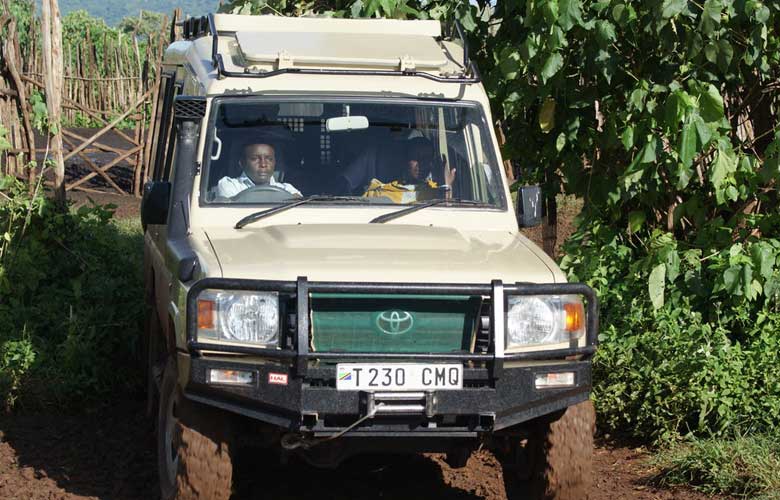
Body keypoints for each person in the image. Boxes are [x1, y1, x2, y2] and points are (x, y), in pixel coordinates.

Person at [363, 137, 456, 203]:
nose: (421, 164)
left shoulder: (435, 189)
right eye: (416, 157)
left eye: (426, 159)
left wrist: (447, 186)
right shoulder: (380, 191)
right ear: (406, 159)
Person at [215, 142, 301, 199]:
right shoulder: (230, 185)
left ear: (275, 163)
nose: (263, 164)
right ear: (242, 163)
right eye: (254, 159)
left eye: (269, 159)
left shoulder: (288, 189)